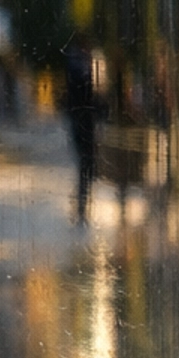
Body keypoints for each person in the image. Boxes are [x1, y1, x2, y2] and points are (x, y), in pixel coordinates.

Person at [62, 33, 104, 224]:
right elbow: (86, 95)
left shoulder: (78, 65)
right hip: (83, 120)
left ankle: (82, 204)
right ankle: (82, 205)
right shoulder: (79, 67)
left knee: (85, 164)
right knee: (85, 163)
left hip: (83, 119)